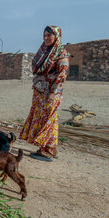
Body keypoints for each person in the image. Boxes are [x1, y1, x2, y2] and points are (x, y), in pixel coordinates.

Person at [20, 25, 69, 162]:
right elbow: (36, 67)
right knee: (47, 120)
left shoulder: (61, 54)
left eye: (49, 35)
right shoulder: (44, 52)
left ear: (57, 37)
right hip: (40, 93)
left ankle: (47, 150)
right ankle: (51, 148)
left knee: (49, 121)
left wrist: (53, 93)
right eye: (44, 35)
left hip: (51, 94)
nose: (46, 38)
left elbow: (62, 75)